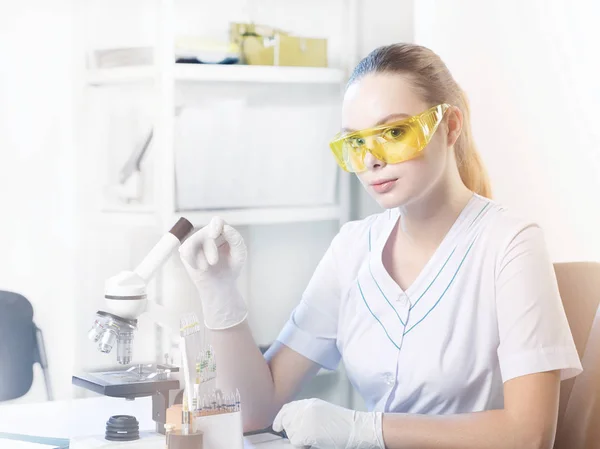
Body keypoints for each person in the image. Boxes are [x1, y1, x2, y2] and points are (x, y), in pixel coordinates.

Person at [179, 43, 582, 449]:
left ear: (451, 126)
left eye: (393, 133)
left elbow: (530, 435)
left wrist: (365, 429)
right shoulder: (353, 248)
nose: (371, 159)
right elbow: (253, 413)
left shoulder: (510, 243)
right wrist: (221, 296)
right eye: (355, 143)